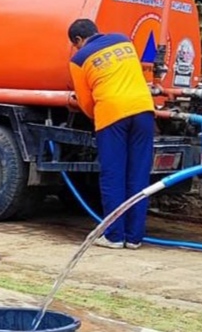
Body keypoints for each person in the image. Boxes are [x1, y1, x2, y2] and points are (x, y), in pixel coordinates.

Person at [67, 19, 155, 250]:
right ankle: (134, 238)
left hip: (113, 114)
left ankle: (114, 236)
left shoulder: (78, 59)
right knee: (138, 174)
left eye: (76, 44)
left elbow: (86, 103)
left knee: (113, 175)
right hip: (144, 110)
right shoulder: (124, 41)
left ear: (78, 40)